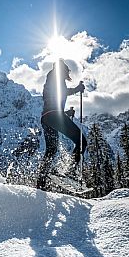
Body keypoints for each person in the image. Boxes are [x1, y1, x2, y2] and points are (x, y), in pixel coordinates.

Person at [37, 59, 87, 189]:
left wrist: (65, 113)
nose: (67, 73)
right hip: (54, 115)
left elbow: (52, 102)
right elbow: (61, 92)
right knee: (82, 142)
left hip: (47, 117)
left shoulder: (51, 80)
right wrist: (77, 89)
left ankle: (40, 181)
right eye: (66, 70)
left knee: (51, 150)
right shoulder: (55, 76)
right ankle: (69, 172)